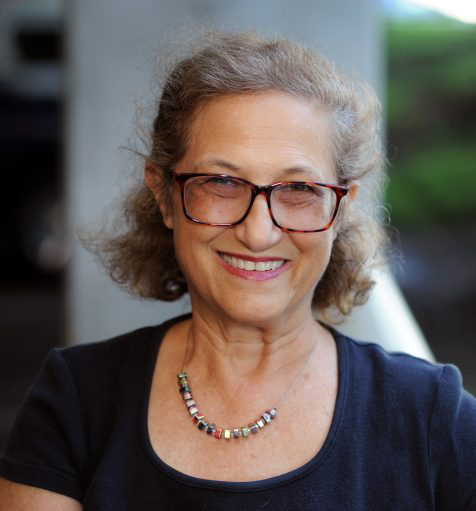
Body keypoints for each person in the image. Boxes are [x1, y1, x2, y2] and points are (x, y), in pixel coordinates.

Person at [1, 31, 475, 510]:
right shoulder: (76, 399)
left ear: (341, 209)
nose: (258, 233)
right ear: (164, 194)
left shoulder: (433, 417)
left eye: (299, 189)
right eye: (222, 182)